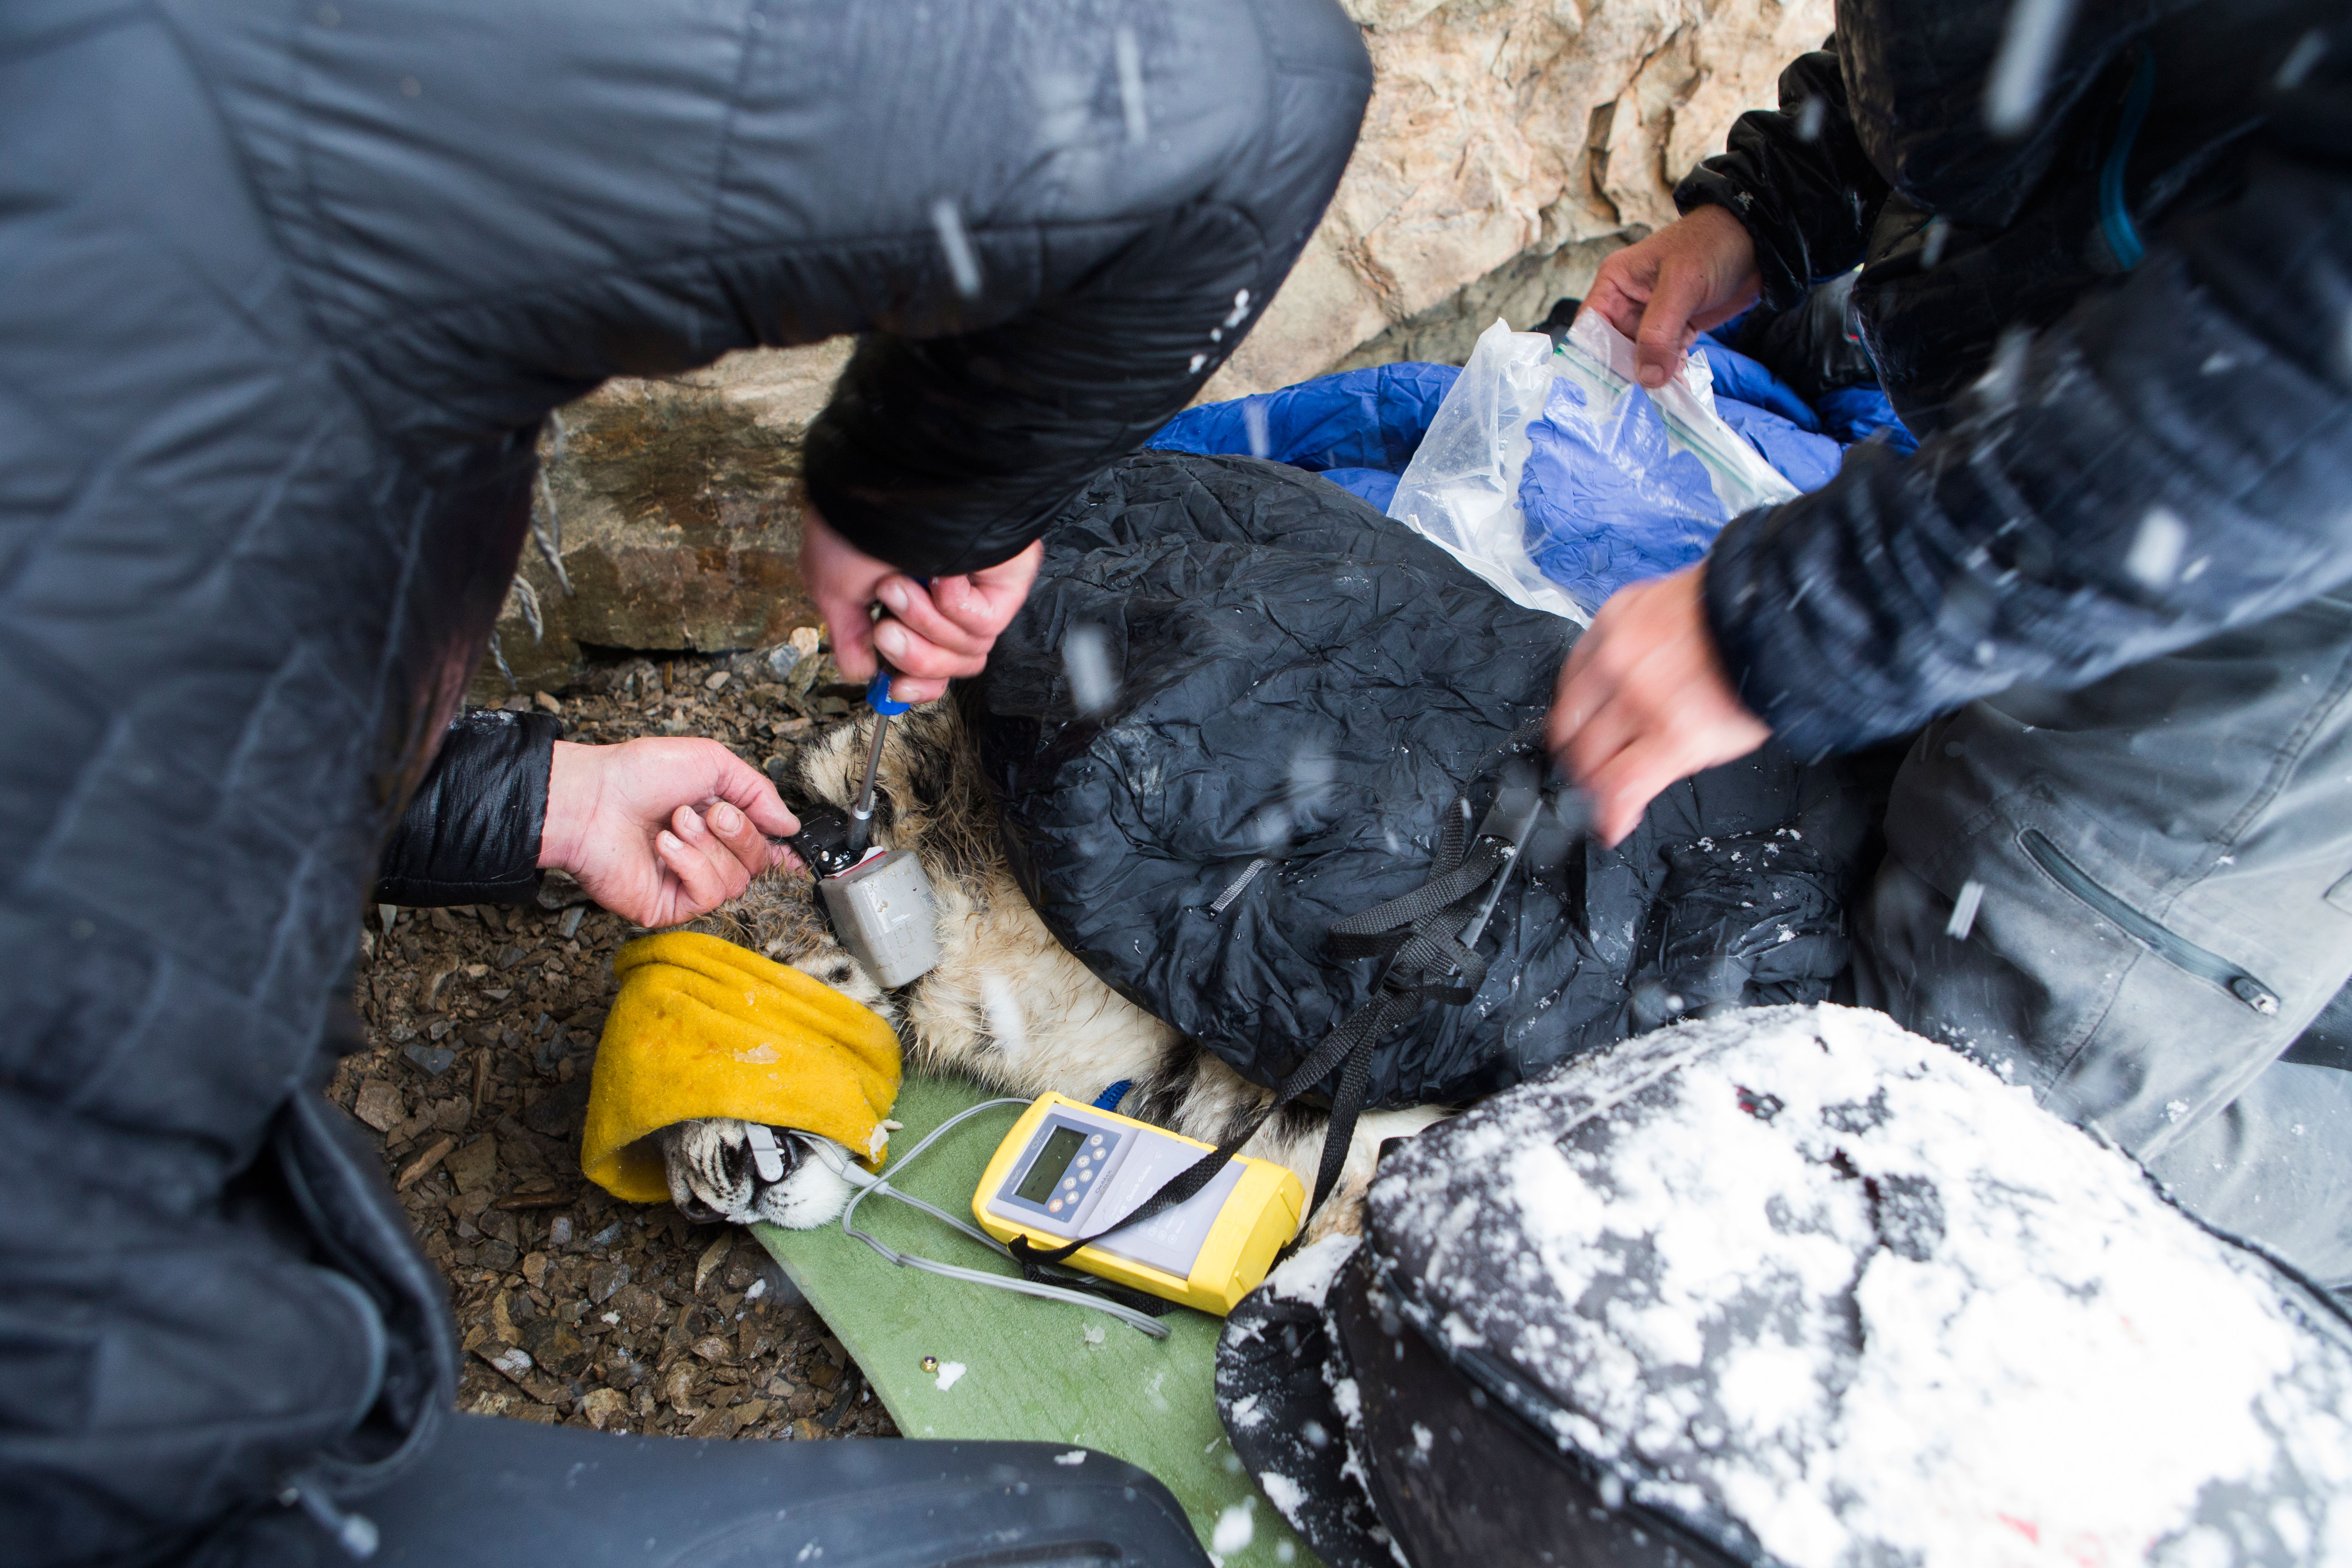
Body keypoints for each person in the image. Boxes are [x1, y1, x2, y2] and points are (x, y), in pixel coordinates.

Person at [0, 0, 1368, 1562]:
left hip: (156, 1304)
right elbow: (1242, 100)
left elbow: (154, 710)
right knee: (1099, 1537)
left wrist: (536, 801)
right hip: (118, 1441)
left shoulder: (170, 132)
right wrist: (916, 492)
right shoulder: (275, 110)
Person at [1546, 2, 2352, 1283]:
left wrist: (1821, 611)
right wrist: (1768, 207)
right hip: (2089, 442)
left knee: (1954, 1118)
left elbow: (2301, 369)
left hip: (2270, 537)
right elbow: (1983, 47)